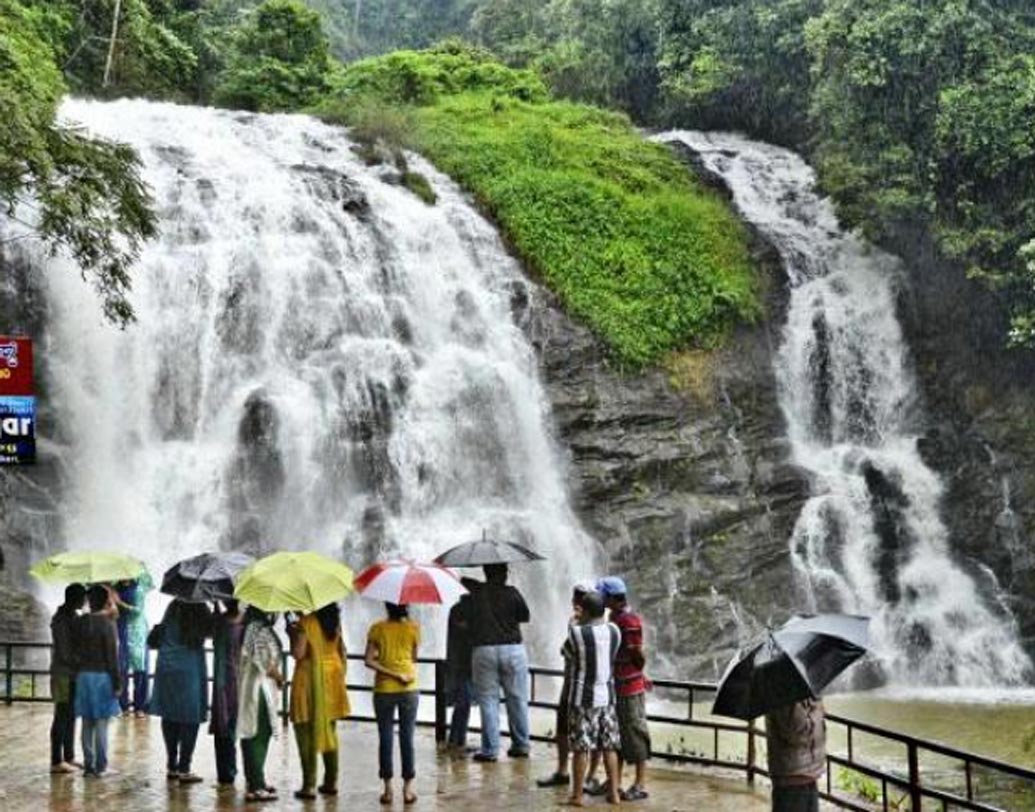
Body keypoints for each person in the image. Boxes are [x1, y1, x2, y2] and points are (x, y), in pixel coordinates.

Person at [563, 590, 621, 807]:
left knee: (580, 747)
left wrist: (574, 621)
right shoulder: (615, 631)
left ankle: (577, 795)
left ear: (585, 610)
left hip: (582, 699)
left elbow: (566, 653)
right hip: (608, 697)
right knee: (609, 746)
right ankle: (614, 793)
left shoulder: (577, 633)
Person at [468, 563, 531, 762]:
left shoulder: (476, 594)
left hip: (484, 650)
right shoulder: (512, 593)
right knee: (518, 699)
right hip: (512, 649)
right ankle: (521, 744)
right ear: (503, 574)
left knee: (488, 701)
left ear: (486, 573)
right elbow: (525, 616)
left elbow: (467, 619)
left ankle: (490, 750)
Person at [537, 580, 597, 788]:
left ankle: (590, 776)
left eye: (581, 597)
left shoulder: (599, 623)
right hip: (569, 683)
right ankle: (562, 771)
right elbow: (568, 650)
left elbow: (571, 650)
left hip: (589, 687)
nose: (576, 601)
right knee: (562, 725)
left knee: (589, 731)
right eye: (575, 596)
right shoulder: (573, 622)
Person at [289, 603, 351, 799]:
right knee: (329, 730)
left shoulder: (305, 623)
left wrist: (293, 634)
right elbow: (342, 652)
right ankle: (331, 781)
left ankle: (309, 785)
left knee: (305, 731)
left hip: (308, 681)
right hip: (332, 680)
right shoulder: (335, 623)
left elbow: (299, 653)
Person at [598, 576, 651, 801]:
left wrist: (638, 671)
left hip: (629, 687)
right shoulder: (615, 617)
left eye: (603, 595)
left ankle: (639, 783)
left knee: (635, 732)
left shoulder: (628, 620)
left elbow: (637, 653)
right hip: (616, 685)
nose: (599, 598)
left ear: (611, 598)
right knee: (616, 734)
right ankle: (615, 781)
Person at [148, 599, 212, 783]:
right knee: (190, 718)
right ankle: (185, 766)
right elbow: (212, 632)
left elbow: (162, 633)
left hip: (167, 665)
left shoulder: (173, 606)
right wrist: (215, 609)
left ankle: (172, 764)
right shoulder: (200, 608)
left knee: (169, 715)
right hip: (189, 667)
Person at [365, 602, 420, 805]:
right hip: (409, 687)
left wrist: (387, 666)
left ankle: (388, 790)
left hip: (384, 690)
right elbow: (413, 657)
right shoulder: (413, 628)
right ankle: (407, 790)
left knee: (385, 737)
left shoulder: (377, 628)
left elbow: (369, 660)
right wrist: (400, 671)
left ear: (387, 606)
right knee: (407, 738)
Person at [72, 584, 122, 777]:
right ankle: (101, 766)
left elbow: (75, 649)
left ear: (89, 601)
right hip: (102, 677)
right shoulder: (108, 625)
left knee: (86, 721)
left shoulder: (81, 622)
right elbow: (112, 657)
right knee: (101, 722)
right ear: (105, 601)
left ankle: (88, 764)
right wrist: (117, 683)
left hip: (83, 677)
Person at [238, 606, 284, 803]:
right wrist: (280, 677)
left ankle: (256, 781)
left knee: (252, 734)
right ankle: (256, 785)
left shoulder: (250, 627)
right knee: (257, 735)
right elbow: (265, 662)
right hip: (260, 691)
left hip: (251, 689)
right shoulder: (259, 630)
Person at [765, 699, 826, 812]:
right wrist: (816, 711)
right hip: (791, 777)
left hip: (808, 773)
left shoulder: (804, 692)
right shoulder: (785, 694)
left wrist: (814, 709)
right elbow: (796, 733)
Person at [50, 583, 86, 774]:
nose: (85, 601)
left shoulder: (73, 617)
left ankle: (69, 756)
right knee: (61, 715)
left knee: (71, 715)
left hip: (72, 674)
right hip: (63, 674)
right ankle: (56, 760)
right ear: (74, 598)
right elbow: (64, 652)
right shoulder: (60, 620)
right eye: (82, 598)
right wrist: (81, 659)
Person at [210, 599, 245, 787]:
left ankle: (224, 771)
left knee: (222, 726)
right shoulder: (244, 624)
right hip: (237, 679)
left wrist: (215, 610)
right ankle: (230, 769)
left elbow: (214, 639)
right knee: (232, 725)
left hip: (221, 680)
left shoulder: (221, 622)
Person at [114, 577, 149, 717]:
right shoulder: (116, 588)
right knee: (122, 670)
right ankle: (123, 706)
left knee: (140, 670)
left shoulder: (138, 589)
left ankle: (139, 706)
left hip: (137, 632)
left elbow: (138, 611)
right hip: (121, 630)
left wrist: (120, 603)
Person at [445, 591, 474, 755]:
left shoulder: (458, 609)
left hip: (462, 663)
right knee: (464, 701)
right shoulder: (459, 611)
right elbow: (462, 630)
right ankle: (456, 740)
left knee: (464, 702)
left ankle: (456, 739)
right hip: (462, 663)